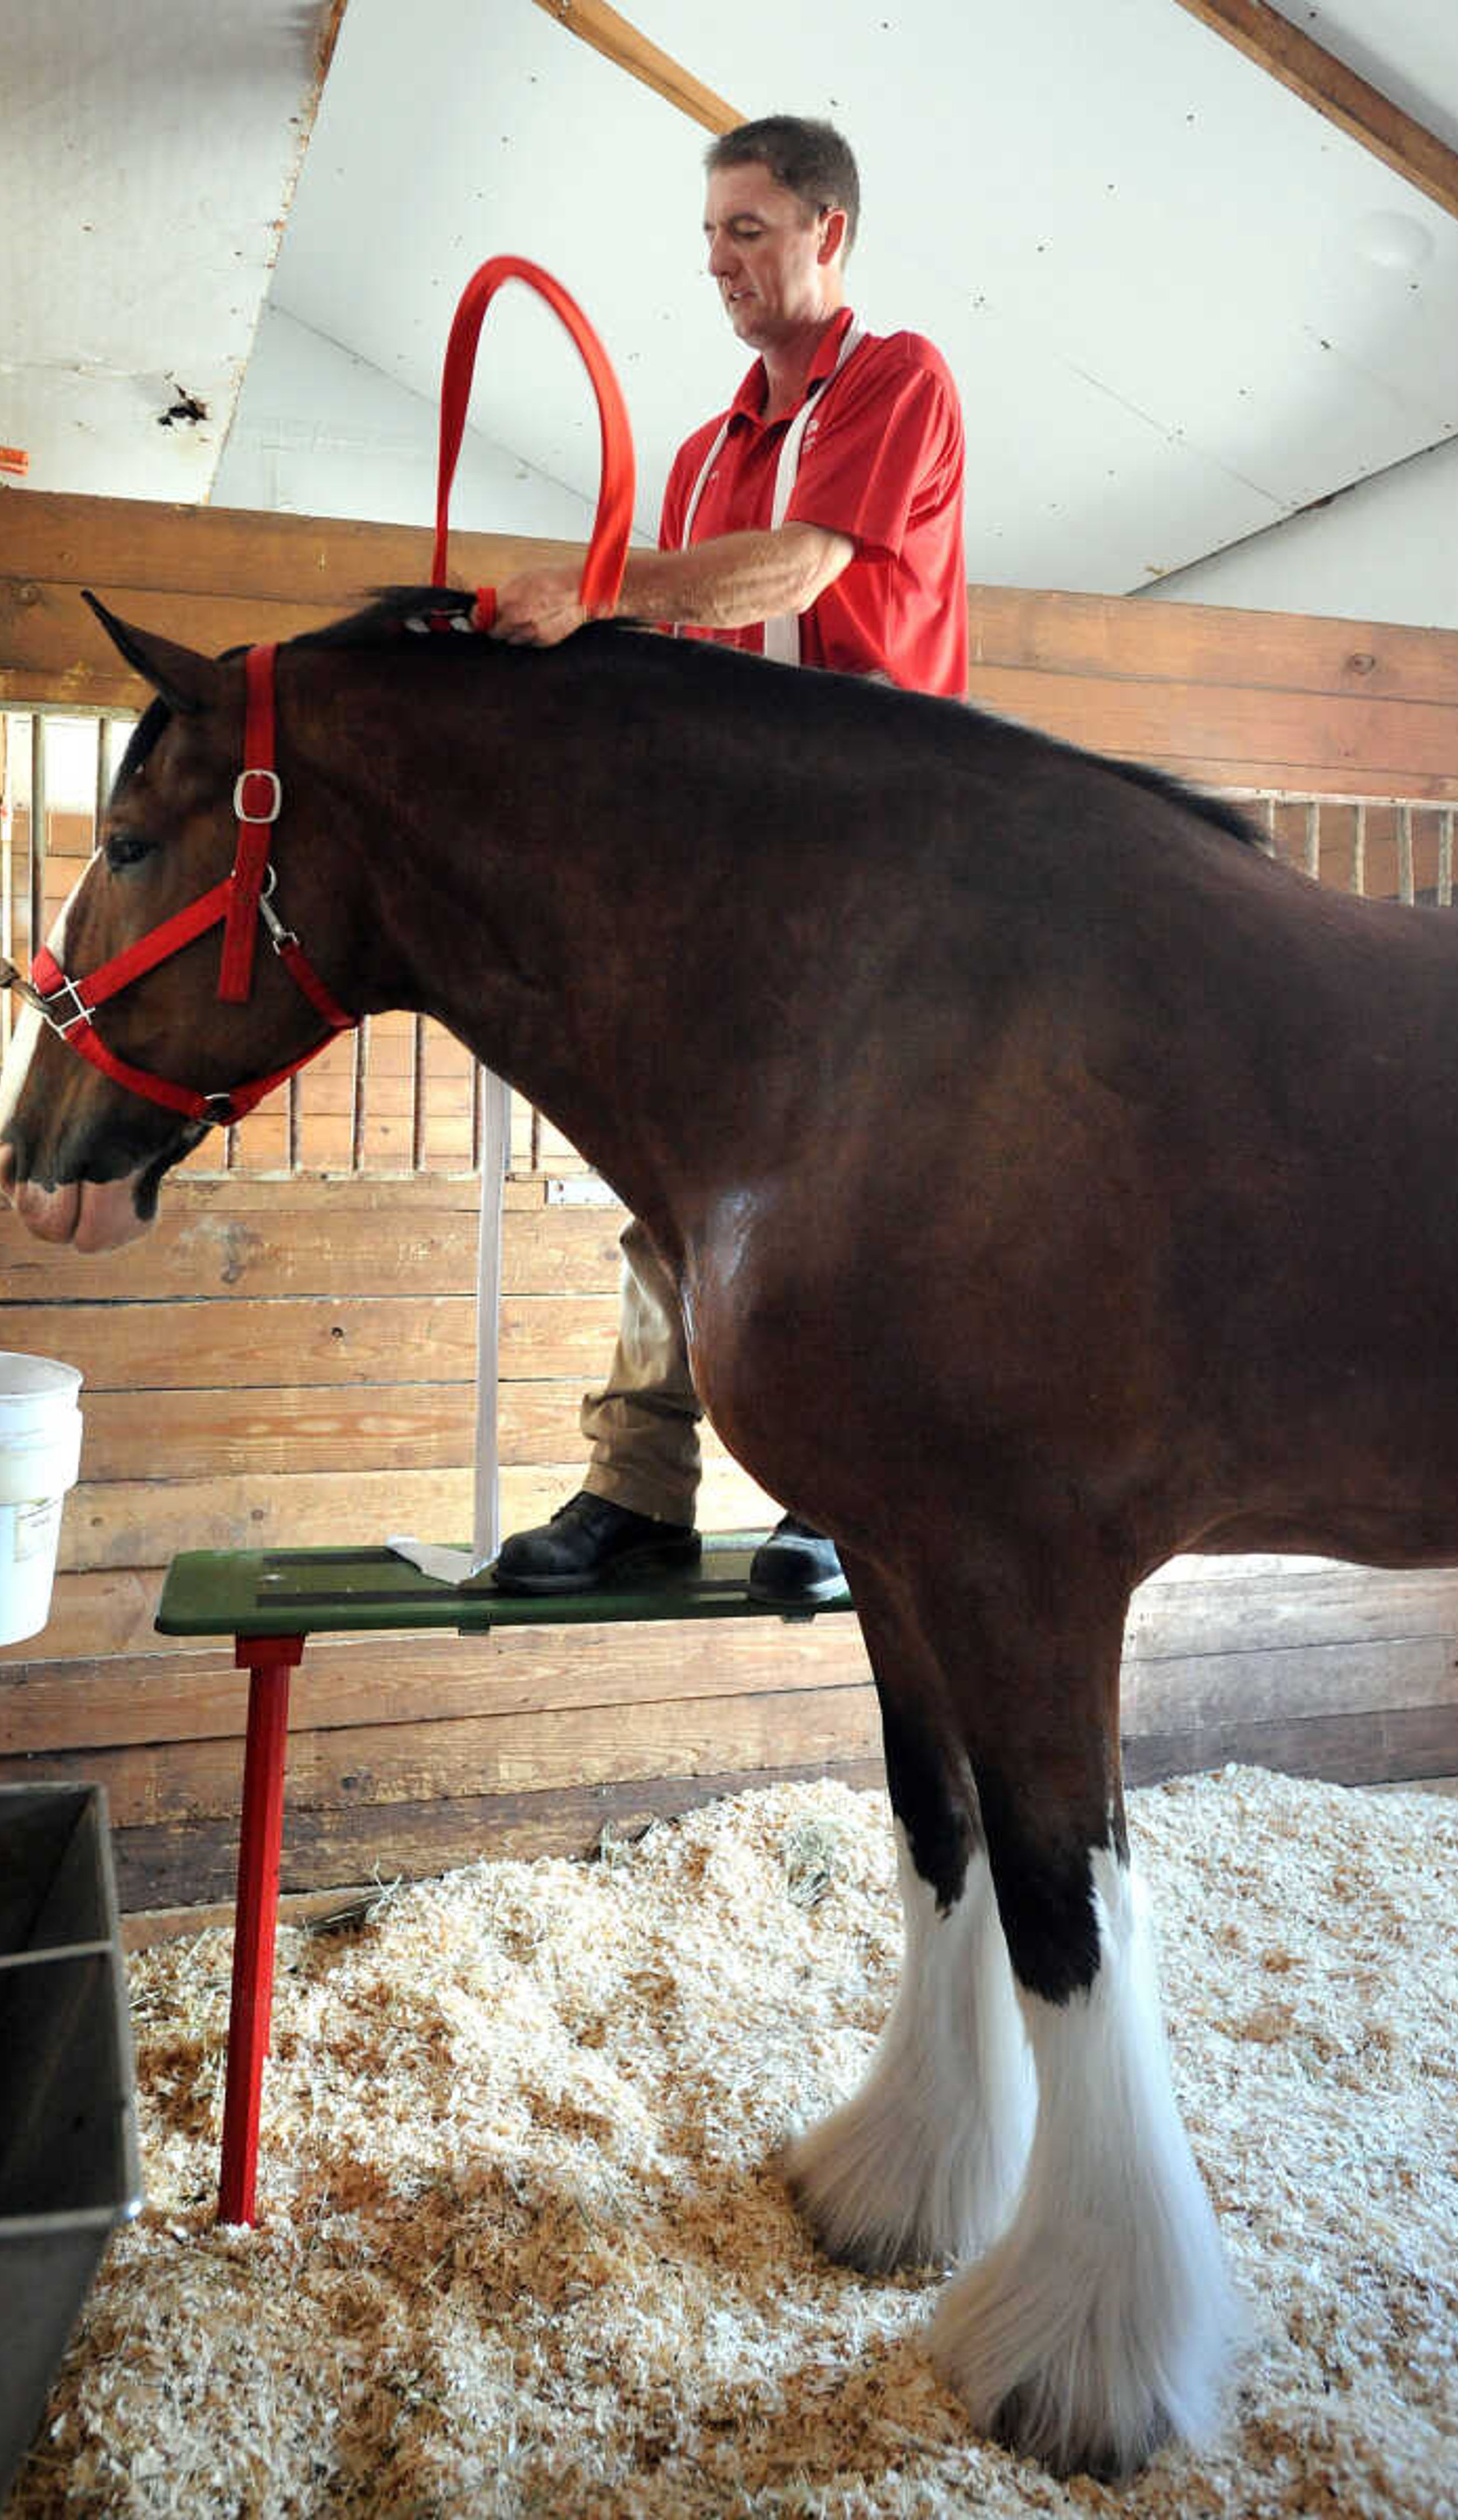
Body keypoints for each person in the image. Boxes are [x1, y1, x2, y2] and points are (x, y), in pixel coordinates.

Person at [488, 114, 968, 1604]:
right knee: (667, 1160)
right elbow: (655, 651)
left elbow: (805, 568)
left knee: (859, 1176)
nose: (720, 264)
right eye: (709, 236)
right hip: (728, 855)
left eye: (749, 232)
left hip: (884, 833)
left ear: (832, 231)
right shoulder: (701, 452)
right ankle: (638, 1487)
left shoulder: (898, 381)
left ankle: (836, 1488)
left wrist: (598, 585)